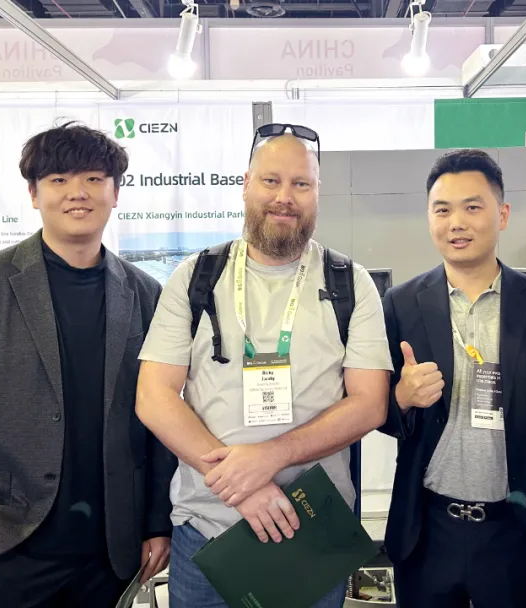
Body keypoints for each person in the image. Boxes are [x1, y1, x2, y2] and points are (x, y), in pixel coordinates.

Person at [0, 122, 177, 607]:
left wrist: (157, 522)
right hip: (8, 547)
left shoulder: (144, 293)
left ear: (116, 193)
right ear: (34, 194)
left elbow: (160, 421)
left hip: (109, 550)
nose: (78, 193)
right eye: (58, 180)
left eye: (94, 179)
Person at [134, 124, 393, 608]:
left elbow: (370, 403)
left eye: (301, 184)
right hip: (207, 531)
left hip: (311, 530)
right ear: (246, 184)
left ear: (318, 193)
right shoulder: (195, 276)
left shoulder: (350, 283)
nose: (284, 197)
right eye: (271, 181)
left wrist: (270, 457)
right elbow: (153, 396)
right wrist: (241, 486)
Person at [378, 149, 526, 608]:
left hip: (515, 530)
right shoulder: (400, 304)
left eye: (472, 207)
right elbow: (374, 411)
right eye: (442, 210)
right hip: (427, 529)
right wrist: (400, 398)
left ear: (502, 215)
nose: (456, 223)